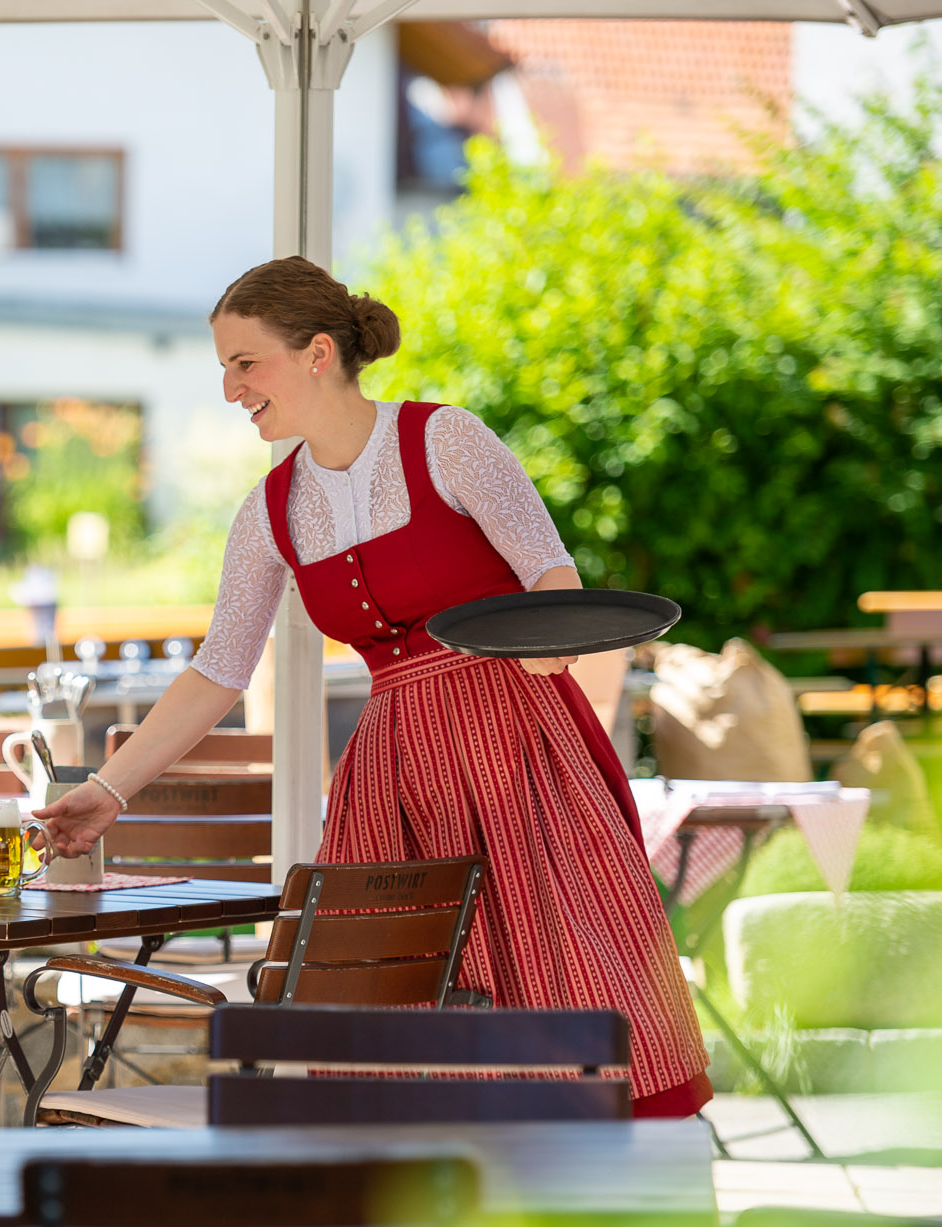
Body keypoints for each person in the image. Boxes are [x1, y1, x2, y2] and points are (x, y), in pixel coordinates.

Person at [36, 255, 710, 1117]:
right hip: (395, 770)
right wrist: (106, 789)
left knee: (558, 962)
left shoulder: (447, 439)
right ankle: (416, 1210)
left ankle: (599, 1187)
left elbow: (551, 575)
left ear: (318, 353)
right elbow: (218, 671)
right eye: (225, 369)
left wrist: (547, 650)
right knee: (388, 995)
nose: (234, 389)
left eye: (247, 364)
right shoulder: (270, 510)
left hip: (513, 740)